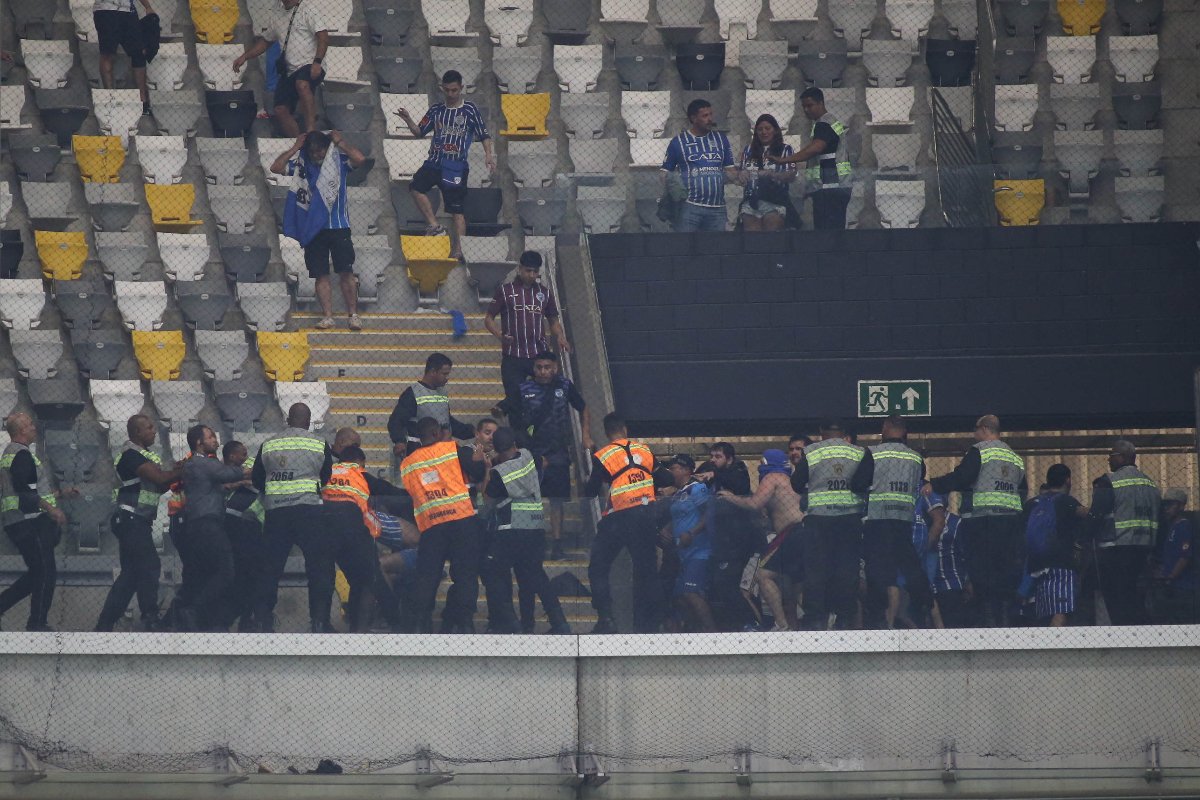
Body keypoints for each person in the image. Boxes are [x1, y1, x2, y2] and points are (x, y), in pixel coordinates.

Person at [929, 414, 1027, 627]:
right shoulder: (1015, 457)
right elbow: (1023, 490)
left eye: (975, 429)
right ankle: (1004, 619)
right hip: (1010, 522)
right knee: (1005, 570)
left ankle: (988, 620)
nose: (974, 434)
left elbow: (963, 477)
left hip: (983, 521)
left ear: (984, 429)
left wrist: (934, 485)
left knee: (982, 571)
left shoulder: (979, 451)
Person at [271, 130, 367, 331]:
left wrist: (340, 142)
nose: (316, 155)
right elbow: (276, 167)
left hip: (339, 226)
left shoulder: (339, 161)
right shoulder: (302, 166)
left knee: (345, 271)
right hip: (313, 230)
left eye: (320, 150)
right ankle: (328, 317)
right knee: (320, 274)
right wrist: (295, 148)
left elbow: (360, 159)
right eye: (312, 151)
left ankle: (353, 315)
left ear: (327, 148)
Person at [393, 69, 496, 257]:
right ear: (442, 89)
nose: (450, 94)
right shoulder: (436, 110)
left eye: (454, 90)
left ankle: (458, 252)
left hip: (455, 166)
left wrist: (488, 154)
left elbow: (484, 133)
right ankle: (434, 225)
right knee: (416, 187)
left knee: (457, 210)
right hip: (434, 162)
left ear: (461, 88)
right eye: (447, 90)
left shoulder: (469, 110)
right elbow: (419, 132)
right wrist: (408, 119)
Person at [252, 403, 335, 632]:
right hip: (309, 511)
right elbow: (326, 476)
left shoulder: (269, 444)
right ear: (308, 422)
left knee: (270, 567)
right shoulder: (319, 444)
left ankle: (262, 619)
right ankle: (319, 621)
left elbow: (257, 479)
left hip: (276, 512)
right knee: (319, 567)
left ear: (288, 419)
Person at [400, 416, 487, 633]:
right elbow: (476, 474)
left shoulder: (408, 463)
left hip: (432, 525)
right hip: (462, 520)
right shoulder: (452, 449)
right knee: (465, 574)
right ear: (437, 433)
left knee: (427, 575)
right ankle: (466, 623)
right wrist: (479, 459)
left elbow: (411, 492)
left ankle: (420, 624)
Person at [95, 414, 181, 631]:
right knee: (150, 565)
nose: (154, 431)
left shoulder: (146, 456)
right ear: (137, 432)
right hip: (130, 518)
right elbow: (161, 479)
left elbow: (160, 486)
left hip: (137, 520)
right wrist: (185, 468)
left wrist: (176, 474)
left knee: (131, 574)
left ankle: (104, 624)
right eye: (149, 427)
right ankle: (150, 617)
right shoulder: (131, 455)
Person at [481, 427, 571, 634]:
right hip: (536, 526)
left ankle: (510, 623)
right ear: (515, 445)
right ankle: (558, 623)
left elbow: (487, 502)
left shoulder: (499, 473)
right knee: (534, 576)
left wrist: (488, 468)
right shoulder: (530, 457)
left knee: (495, 573)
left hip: (511, 530)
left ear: (496, 450)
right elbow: (544, 463)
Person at [791, 420, 873, 630]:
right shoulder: (859, 452)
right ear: (843, 432)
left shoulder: (811, 452)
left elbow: (796, 483)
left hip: (818, 521)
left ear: (821, 432)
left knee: (816, 572)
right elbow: (862, 483)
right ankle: (844, 618)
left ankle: (815, 620)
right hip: (848, 521)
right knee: (847, 570)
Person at [584, 413, 659, 633]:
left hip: (619, 518)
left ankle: (606, 618)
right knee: (646, 570)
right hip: (646, 514)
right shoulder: (644, 450)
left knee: (598, 566)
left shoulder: (605, 455)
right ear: (625, 429)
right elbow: (661, 477)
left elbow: (591, 490)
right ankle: (648, 624)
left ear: (608, 432)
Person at [321, 444, 408, 632]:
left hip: (327, 529)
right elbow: (385, 489)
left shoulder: (327, 471)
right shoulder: (358, 473)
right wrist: (408, 494)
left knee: (354, 579)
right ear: (360, 462)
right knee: (373, 577)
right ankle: (395, 620)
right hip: (354, 529)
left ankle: (327, 623)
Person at [517, 351, 593, 560]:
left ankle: (557, 544)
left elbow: (583, 407)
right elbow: (517, 422)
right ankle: (533, 543)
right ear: (534, 369)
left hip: (558, 451)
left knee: (557, 501)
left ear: (555, 368)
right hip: (533, 452)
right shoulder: (524, 389)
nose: (543, 371)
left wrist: (585, 435)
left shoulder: (564, 386)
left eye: (547, 367)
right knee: (531, 500)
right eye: (539, 367)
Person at [485, 251, 571, 431]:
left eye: (535, 272)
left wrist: (561, 337)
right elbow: (488, 319)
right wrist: (500, 335)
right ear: (520, 269)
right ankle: (518, 438)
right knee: (516, 399)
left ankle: (506, 408)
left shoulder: (544, 294)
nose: (532, 275)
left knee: (544, 391)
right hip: (512, 355)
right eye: (528, 271)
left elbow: (553, 320)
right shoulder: (505, 291)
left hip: (537, 355)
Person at [720, 449, 804, 631]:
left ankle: (781, 624)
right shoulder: (791, 480)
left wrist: (731, 498)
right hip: (802, 531)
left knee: (763, 575)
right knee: (791, 583)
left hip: (788, 533)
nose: (759, 466)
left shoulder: (772, 477)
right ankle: (798, 627)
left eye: (761, 462)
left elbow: (754, 504)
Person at [859, 415, 929, 629]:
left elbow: (859, 482)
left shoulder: (872, 454)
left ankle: (878, 617)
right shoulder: (916, 458)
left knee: (877, 570)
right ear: (904, 431)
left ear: (885, 428)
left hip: (878, 520)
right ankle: (924, 605)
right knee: (910, 566)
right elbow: (920, 477)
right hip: (903, 521)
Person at [178, 425, 248, 631]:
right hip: (207, 524)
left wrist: (241, 481)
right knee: (226, 570)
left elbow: (219, 487)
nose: (216, 440)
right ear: (199, 443)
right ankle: (194, 610)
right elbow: (228, 474)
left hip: (200, 525)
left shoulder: (199, 466)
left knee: (204, 573)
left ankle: (199, 618)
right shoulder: (202, 463)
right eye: (210, 436)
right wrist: (254, 471)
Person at [0, 413, 66, 631]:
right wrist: (52, 509)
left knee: (39, 572)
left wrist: (59, 494)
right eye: (29, 425)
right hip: (28, 523)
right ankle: (37, 623)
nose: (33, 427)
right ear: (20, 431)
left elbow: (27, 491)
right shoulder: (22, 455)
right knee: (45, 571)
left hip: (17, 521)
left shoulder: (12, 454)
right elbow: (24, 493)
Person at [1089, 439, 1160, 625]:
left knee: (1117, 596)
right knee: (1135, 594)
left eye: (1111, 455)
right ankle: (1141, 632)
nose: (1108, 459)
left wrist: (1082, 540)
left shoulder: (1109, 482)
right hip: (1144, 548)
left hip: (1116, 548)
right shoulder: (1150, 484)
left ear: (1121, 457)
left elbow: (1096, 514)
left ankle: (1123, 634)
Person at [232, 0, 328, 136]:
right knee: (280, 109)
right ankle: (298, 142)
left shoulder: (308, 8)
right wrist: (245, 57)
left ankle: (311, 131)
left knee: (302, 84)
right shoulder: (277, 10)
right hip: (289, 69)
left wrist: (317, 62)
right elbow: (266, 40)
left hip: (310, 63)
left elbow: (323, 36)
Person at [767, 87, 854, 229]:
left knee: (827, 232)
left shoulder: (823, 124)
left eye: (810, 105)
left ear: (821, 103)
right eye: (804, 107)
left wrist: (784, 160)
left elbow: (815, 148)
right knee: (834, 231)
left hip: (830, 188)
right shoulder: (830, 122)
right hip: (835, 186)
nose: (806, 110)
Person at [1022, 465, 1086, 627]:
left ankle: (1044, 646)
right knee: (1061, 611)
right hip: (1061, 566)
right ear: (1068, 480)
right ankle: (1054, 649)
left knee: (1043, 612)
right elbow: (1086, 516)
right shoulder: (1067, 502)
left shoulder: (1031, 504)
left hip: (1034, 566)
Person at [662, 98, 737, 232]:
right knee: (685, 247)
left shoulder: (721, 139)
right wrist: (675, 192)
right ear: (693, 118)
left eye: (710, 114)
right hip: (690, 207)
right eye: (705, 116)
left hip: (717, 207)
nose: (710, 119)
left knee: (716, 248)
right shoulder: (678, 142)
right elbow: (664, 173)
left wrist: (738, 176)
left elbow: (730, 170)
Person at [659, 454, 715, 631]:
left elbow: (708, 513)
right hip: (682, 553)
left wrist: (692, 532)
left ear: (685, 470)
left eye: (673, 468)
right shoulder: (678, 493)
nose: (670, 472)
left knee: (690, 592)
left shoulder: (696, 489)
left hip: (699, 551)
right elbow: (679, 515)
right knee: (680, 596)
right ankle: (696, 631)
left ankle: (712, 634)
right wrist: (666, 529)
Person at [387, 353, 477, 458]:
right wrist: (399, 441)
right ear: (433, 372)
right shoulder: (413, 393)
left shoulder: (442, 392)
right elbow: (396, 420)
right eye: (444, 374)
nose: (447, 378)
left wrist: (471, 431)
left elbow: (447, 421)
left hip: (442, 450)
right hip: (420, 451)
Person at [219, 440, 265, 632]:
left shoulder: (250, 466)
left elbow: (256, 476)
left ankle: (247, 619)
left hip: (249, 527)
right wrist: (238, 482)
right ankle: (227, 618)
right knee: (233, 575)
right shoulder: (219, 471)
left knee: (250, 574)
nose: (246, 457)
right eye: (242, 454)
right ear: (231, 457)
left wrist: (239, 482)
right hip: (228, 526)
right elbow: (220, 486)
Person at [737, 113, 797, 231]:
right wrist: (741, 174)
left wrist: (772, 174)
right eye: (760, 129)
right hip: (751, 200)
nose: (764, 132)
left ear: (775, 130)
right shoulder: (748, 149)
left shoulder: (786, 149)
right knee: (752, 236)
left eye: (767, 128)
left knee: (771, 234)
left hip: (775, 199)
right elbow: (740, 172)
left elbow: (792, 174)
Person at [92, 0, 154, 113]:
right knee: (107, 53)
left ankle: (143, 101)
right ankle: (110, 98)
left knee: (139, 53)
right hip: (105, 9)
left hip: (127, 10)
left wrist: (147, 6)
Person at [1153, 489, 1196, 624]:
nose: (1166, 509)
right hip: (1172, 584)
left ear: (1181, 506)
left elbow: (1185, 556)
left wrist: (1171, 576)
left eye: (1171, 505)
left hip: (1183, 586)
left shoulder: (1184, 526)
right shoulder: (1171, 527)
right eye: (1165, 505)